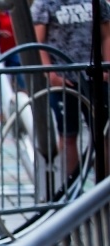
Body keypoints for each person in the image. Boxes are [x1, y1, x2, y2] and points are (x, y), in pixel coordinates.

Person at [31, 0, 110, 179]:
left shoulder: (95, 2)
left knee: (104, 134)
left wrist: (106, 68)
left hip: (94, 78)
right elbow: (38, 41)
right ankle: (71, 188)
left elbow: (106, 34)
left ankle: (104, 189)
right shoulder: (45, 3)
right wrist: (51, 74)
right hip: (64, 80)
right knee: (68, 135)